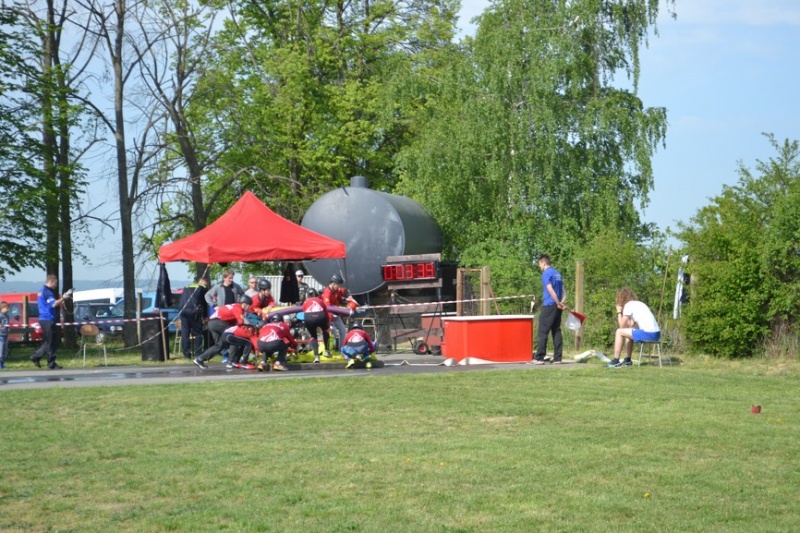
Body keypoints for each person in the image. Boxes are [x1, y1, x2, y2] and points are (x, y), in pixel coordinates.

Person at [193, 294, 252, 369]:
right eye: (249, 305)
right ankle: (231, 361)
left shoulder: (234, 306)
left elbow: (234, 322)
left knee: (219, 345)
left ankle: (199, 359)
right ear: (244, 304)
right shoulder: (238, 308)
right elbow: (241, 322)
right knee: (234, 336)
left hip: (212, 323)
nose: (249, 308)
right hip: (219, 322)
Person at [608, 287, 661, 368]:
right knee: (628, 331)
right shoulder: (639, 304)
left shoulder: (628, 306)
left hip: (648, 333)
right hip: (656, 334)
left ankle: (615, 361)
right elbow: (631, 324)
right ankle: (628, 360)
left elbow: (621, 326)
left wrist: (619, 312)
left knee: (619, 331)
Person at [31, 274, 72, 369]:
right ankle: (51, 362)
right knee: (52, 342)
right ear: (51, 282)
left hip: (45, 319)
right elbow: (53, 304)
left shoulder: (41, 290)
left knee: (51, 340)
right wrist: (63, 298)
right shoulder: (47, 292)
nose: (56, 286)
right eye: (55, 283)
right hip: (47, 319)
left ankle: (36, 356)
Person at [204, 269, 244, 363]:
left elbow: (243, 295)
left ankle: (233, 356)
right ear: (224, 278)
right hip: (222, 315)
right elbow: (207, 295)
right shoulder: (218, 287)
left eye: (232, 278)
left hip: (232, 315)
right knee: (223, 336)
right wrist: (214, 305)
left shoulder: (236, 286)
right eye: (229, 278)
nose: (231, 280)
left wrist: (240, 303)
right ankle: (225, 355)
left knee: (233, 335)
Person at [533, 254, 566, 365]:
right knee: (556, 330)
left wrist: (557, 302)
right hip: (558, 306)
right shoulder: (557, 273)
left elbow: (550, 290)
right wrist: (561, 302)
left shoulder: (546, 273)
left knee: (543, 331)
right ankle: (558, 358)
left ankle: (539, 358)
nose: (539, 266)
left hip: (549, 305)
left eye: (539, 264)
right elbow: (564, 290)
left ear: (543, 263)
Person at [322, 273, 356, 352]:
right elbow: (328, 307)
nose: (339, 287)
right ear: (333, 284)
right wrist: (338, 309)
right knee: (333, 332)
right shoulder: (327, 292)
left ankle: (342, 350)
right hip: (328, 316)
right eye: (338, 285)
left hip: (336, 314)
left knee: (343, 331)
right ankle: (330, 350)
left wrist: (346, 299)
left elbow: (340, 298)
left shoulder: (336, 290)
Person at [178, 276, 209, 360]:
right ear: (203, 281)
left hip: (183, 310)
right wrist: (205, 316)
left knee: (185, 333)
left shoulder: (187, 287)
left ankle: (186, 355)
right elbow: (204, 303)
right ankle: (198, 354)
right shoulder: (202, 288)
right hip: (194, 311)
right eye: (206, 283)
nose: (207, 285)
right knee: (198, 333)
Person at [302, 288, 332, 363]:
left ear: (307, 295)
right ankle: (327, 351)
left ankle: (316, 356)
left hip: (309, 317)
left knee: (313, 335)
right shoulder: (320, 301)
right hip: (321, 316)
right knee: (325, 331)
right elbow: (326, 312)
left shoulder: (305, 302)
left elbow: (304, 312)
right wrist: (328, 322)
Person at [0, 301, 9, 369]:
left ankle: (2, 363)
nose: (8, 309)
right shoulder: (0, 316)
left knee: (5, 351)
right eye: (6, 308)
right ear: (2, 308)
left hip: (6, 335)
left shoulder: (7, 316)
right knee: (1, 350)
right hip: (1, 335)